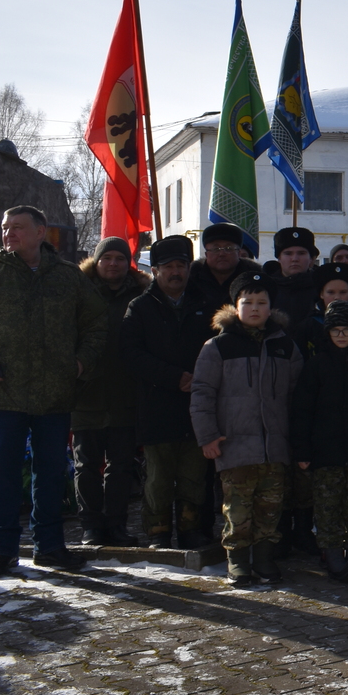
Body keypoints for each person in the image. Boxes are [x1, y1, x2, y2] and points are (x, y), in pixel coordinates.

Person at [0, 205, 108, 578]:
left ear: (41, 232)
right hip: (6, 395)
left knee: (49, 475)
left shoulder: (67, 278)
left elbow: (98, 323)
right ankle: (4, 550)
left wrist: (82, 362)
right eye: (5, 227)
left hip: (55, 395)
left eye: (18, 227)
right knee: (4, 475)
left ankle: (49, 547)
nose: (9, 233)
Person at [189, 269, 304, 587]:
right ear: (235, 306)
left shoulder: (286, 347)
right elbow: (202, 394)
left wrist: (296, 438)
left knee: (270, 507)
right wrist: (208, 436)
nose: (254, 308)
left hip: (275, 446)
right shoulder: (217, 347)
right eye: (247, 301)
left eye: (261, 302)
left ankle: (264, 558)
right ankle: (238, 561)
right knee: (237, 509)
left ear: (271, 308)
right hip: (234, 445)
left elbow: (298, 396)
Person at [122, 235, 216, 550]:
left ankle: (190, 530)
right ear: (156, 270)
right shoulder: (140, 307)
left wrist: (199, 378)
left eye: (181, 266)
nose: (175, 272)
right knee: (158, 478)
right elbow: (131, 356)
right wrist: (174, 377)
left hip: (198, 406)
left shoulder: (206, 304)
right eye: (168, 267)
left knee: (193, 475)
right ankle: (158, 532)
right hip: (156, 404)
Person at [290, 301, 348, 583]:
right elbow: (302, 411)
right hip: (325, 451)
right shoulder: (316, 365)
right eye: (336, 330)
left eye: (347, 330)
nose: (341, 335)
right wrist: (302, 450)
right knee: (328, 506)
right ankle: (332, 554)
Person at [72, 237, 149, 547]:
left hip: (125, 394)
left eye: (119, 258)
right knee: (86, 465)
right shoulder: (79, 293)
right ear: (97, 261)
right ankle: (90, 525)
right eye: (107, 258)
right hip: (86, 393)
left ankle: (116, 524)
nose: (113, 264)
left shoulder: (142, 294)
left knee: (121, 466)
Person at [185, 222, 258, 319]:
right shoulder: (190, 281)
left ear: (239, 252)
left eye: (228, 248)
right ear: (206, 254)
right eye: (216, 249)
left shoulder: (254, 281)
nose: (222, 254)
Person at [293, 261, 348, 355]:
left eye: (343, 292)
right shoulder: (308, 327)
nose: (337, 297)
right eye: (331, 292)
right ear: (321, 294)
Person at [267, 226, 321, 327]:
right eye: (288, 253)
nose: (295, 259)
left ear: (310, 258)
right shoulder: (267, 289)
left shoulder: (321, 288)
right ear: (279, 258)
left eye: (301, 253)